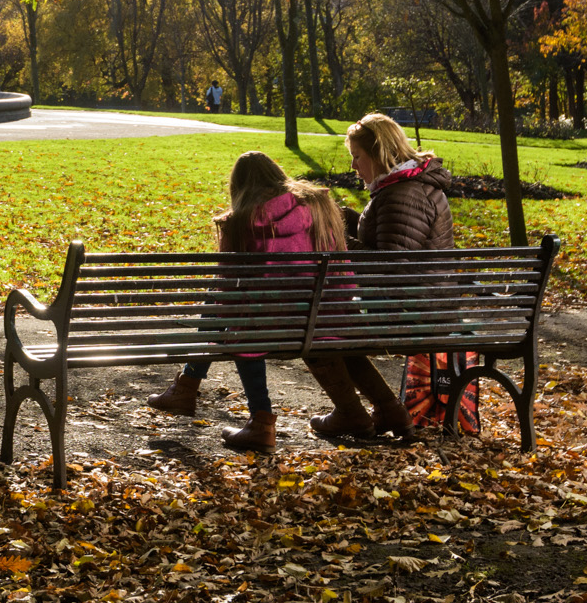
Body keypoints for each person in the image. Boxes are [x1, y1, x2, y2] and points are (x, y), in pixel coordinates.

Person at [145, 150, 345, 453]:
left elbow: (227, 290)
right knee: (240, 315)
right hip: (321, 317)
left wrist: (218, 321)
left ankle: (255, 418)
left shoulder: (242, 219)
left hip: (265, 325)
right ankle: (185, 387)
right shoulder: (316, 205)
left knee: (233, 315)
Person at [302, 112, 454, 440]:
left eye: (357, 157)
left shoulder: (402, 194)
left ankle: (351, 414)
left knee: (313, 327)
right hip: (424, 304)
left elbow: (389, 266)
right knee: (328, 324)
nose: (354, 166)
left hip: (411, 312)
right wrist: (349, 217)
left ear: (380, 154)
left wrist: (340, 238)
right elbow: (394, 245)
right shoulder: (406, 186)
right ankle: (388, 409)